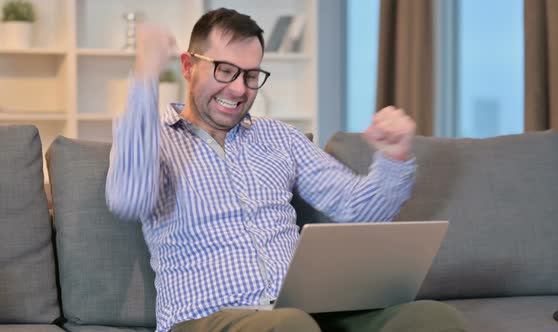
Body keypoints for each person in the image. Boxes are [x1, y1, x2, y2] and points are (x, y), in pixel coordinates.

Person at [106, 7, 467, 332]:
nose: (238, 88)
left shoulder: (280, 137)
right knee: (289, 325)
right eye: (225, 70)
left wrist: (395, 159)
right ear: (188, 67)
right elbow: (129, 198)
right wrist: (145, 76)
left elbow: (358, 207)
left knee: (431, 319)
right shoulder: (153, 138)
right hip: (205, 319)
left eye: (250, 76)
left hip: (303, 315)